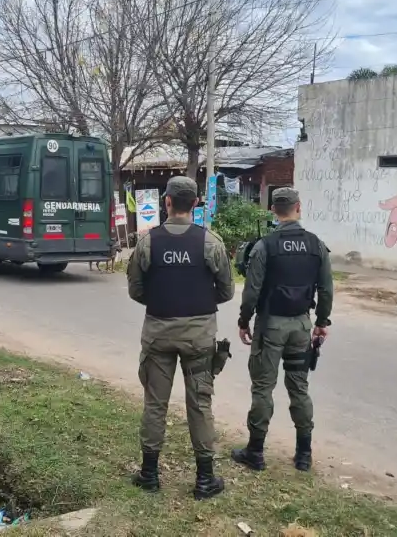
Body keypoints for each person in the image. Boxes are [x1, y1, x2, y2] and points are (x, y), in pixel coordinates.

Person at [126, 175, 235, 500]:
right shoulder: (210, 242)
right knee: (200, 405)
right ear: (196, 203)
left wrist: (164, 301)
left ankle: (149, 474)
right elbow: (227, 291)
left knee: (155, 404)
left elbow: (135, 290)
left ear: (167, 202)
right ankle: (205, 480)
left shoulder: (147, 242)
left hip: (158, 334)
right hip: (199, 338)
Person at [231, 187, 333, 472]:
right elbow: (326, 289)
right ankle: (304, 454)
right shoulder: (316, 245)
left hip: (270, 326)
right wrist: (322, 322)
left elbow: (251, 291)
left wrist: (244, 320)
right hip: (301, 325)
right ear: (298, 207)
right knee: (299, 387)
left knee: (263, 388)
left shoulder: (265, 246)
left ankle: (255, 452)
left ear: (274, 210)